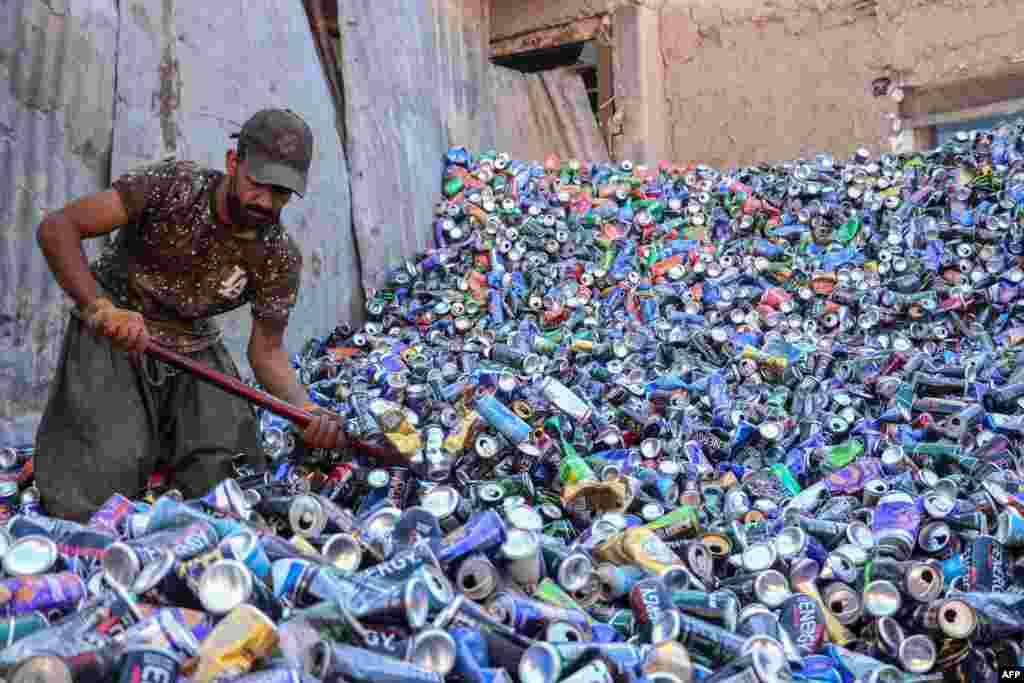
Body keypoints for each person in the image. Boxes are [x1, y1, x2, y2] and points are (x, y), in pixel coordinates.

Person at [34, 109, 345, 521]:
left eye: (281, 193)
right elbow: (58, 228)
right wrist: (100, 307)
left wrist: (307, 411)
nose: (266, 202)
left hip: (193, 344)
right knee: (98, 484)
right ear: (234, 163)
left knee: (231, 477)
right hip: (118, 329)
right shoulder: (175, 186)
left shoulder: (278, 257)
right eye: (258, 184)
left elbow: (266, 352)